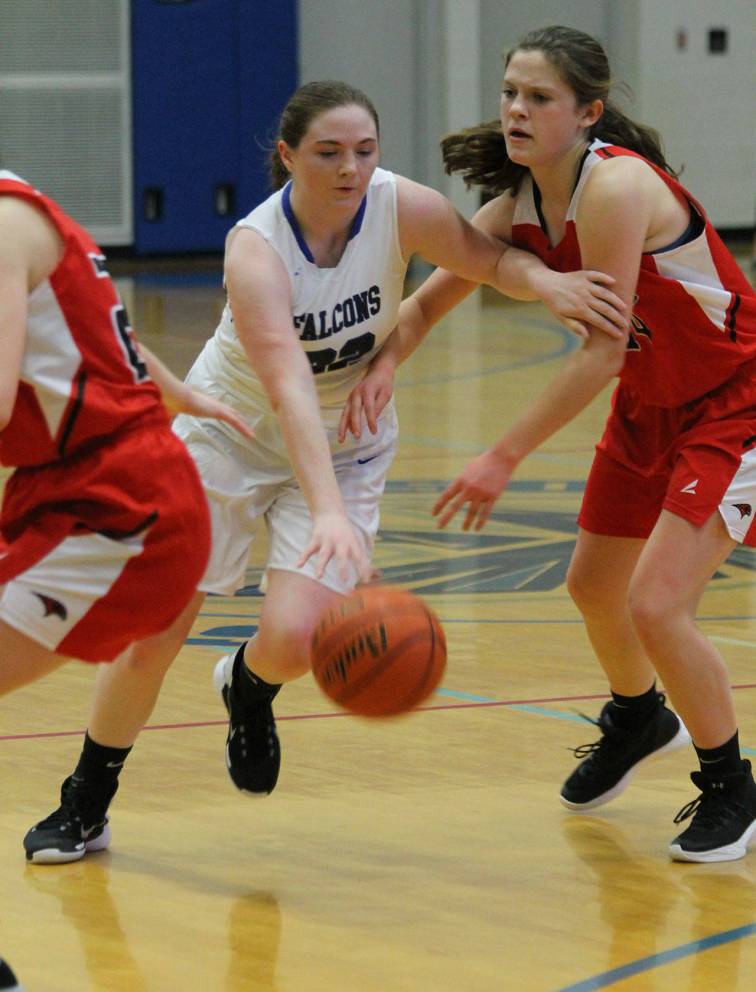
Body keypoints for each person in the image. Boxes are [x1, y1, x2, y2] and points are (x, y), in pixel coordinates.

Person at [22, 79, 627, 864]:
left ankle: (249, 685)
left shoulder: (397, 205)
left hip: (347, 439)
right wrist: (328, 511)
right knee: (153, 634)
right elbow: (288, 388)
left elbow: (484, 259)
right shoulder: (257, 248)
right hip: (230, 436)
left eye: (365, 152)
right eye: (329, 153)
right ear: (288, 156)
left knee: (298, 636)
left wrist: (547, 281)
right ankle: (86, 800)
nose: (351, 169)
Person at [340, 27, 756, 863]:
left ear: (588, 113)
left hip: (731, 404)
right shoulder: (516, 209)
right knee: (595, 586)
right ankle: (640, 719)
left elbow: (601, 351)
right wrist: (379, 369)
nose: (516, 111)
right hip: (652, 405)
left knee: (656, 602)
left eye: (538, 98)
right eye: (509, 94)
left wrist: (501, 455)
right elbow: (423, 306)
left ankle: (731, 788)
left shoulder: (616, 189)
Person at [0, 170, 252, 809]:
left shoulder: (5, 225)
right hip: (82, 487)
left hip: (123, 508)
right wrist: (179, 392)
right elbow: (96, 327)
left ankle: (88, 798)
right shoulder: (23, 212)